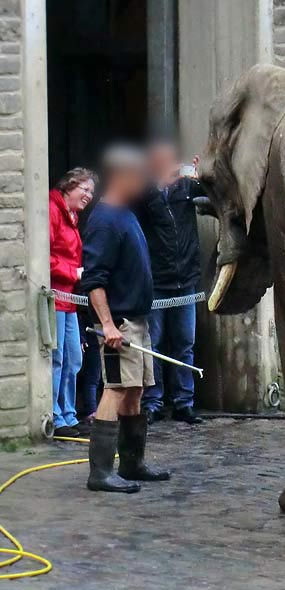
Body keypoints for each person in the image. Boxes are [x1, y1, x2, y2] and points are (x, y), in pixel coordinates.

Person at [80, 145, 170, 493]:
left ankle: (133, 464)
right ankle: (100, 473)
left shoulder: (126, 214)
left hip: (139, 318)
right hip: (119, 324)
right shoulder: (103, 221)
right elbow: (94, 280)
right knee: (115, 390)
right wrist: (106, 325)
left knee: (135, 390)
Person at [135, 140, 204, 425]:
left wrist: (204, 174)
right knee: (154, 343)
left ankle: (183, 402)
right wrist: (159, 186)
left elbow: (220, 194)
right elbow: (137, 211)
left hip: (185, 279)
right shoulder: (144, 191)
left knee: (185, 342)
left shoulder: (187, 188)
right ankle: (153, 401)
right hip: (157, 281)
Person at [49, 168, 97, 438]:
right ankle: (56, 416)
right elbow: (43, 255)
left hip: (69, 301)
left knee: (73, 359)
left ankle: (68, 412)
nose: (89, 195)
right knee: (57, 358)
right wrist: (73, 273)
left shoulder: (73, 216)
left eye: (91, 191)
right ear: (69, 186)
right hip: (56, 297)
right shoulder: (52, 210)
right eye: (85, 189)